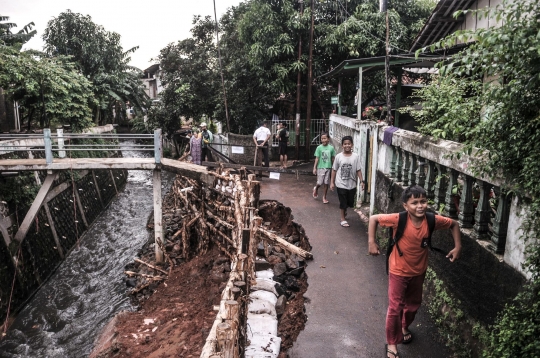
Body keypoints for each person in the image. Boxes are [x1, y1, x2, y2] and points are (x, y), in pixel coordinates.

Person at [367, 185, 462, 358]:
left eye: (423, 201)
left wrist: (458, 247)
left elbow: (454, 224)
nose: (420, 206)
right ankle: (392, 343)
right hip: (398, 270)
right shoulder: (398, 219)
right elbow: (373, 218)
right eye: (415, 202)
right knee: (395, 307)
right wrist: (372, 242)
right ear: (405, 206)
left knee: (412, 306)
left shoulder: (432, 220)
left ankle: (404, 326)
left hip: (419, 271)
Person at [330, 135, 364, 227]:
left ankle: (344, 210)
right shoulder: (338, 157)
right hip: (340, 183)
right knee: (342, 201)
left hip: (352, 184)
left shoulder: (355, 156)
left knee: (349, 202)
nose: (347, 145)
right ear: (342, 145)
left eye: (349, 144)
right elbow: (334, 170)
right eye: (345, 144)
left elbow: (358, 170)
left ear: (352, 145)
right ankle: (342, 219)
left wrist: (361, 181)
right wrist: (332, 182)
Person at [312, 133, 336, 204]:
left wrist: (334, 167)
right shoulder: (319, 148)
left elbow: (333, 158)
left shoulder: (331, 148)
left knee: (326, 183)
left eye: (325, 138)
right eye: (322, 138)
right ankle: (316, 188)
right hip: (320, 167)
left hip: (328, 167)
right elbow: (317, 158)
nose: (323, 140)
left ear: (328, 139)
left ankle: (324, 197)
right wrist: (314, 168)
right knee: (320, 182)